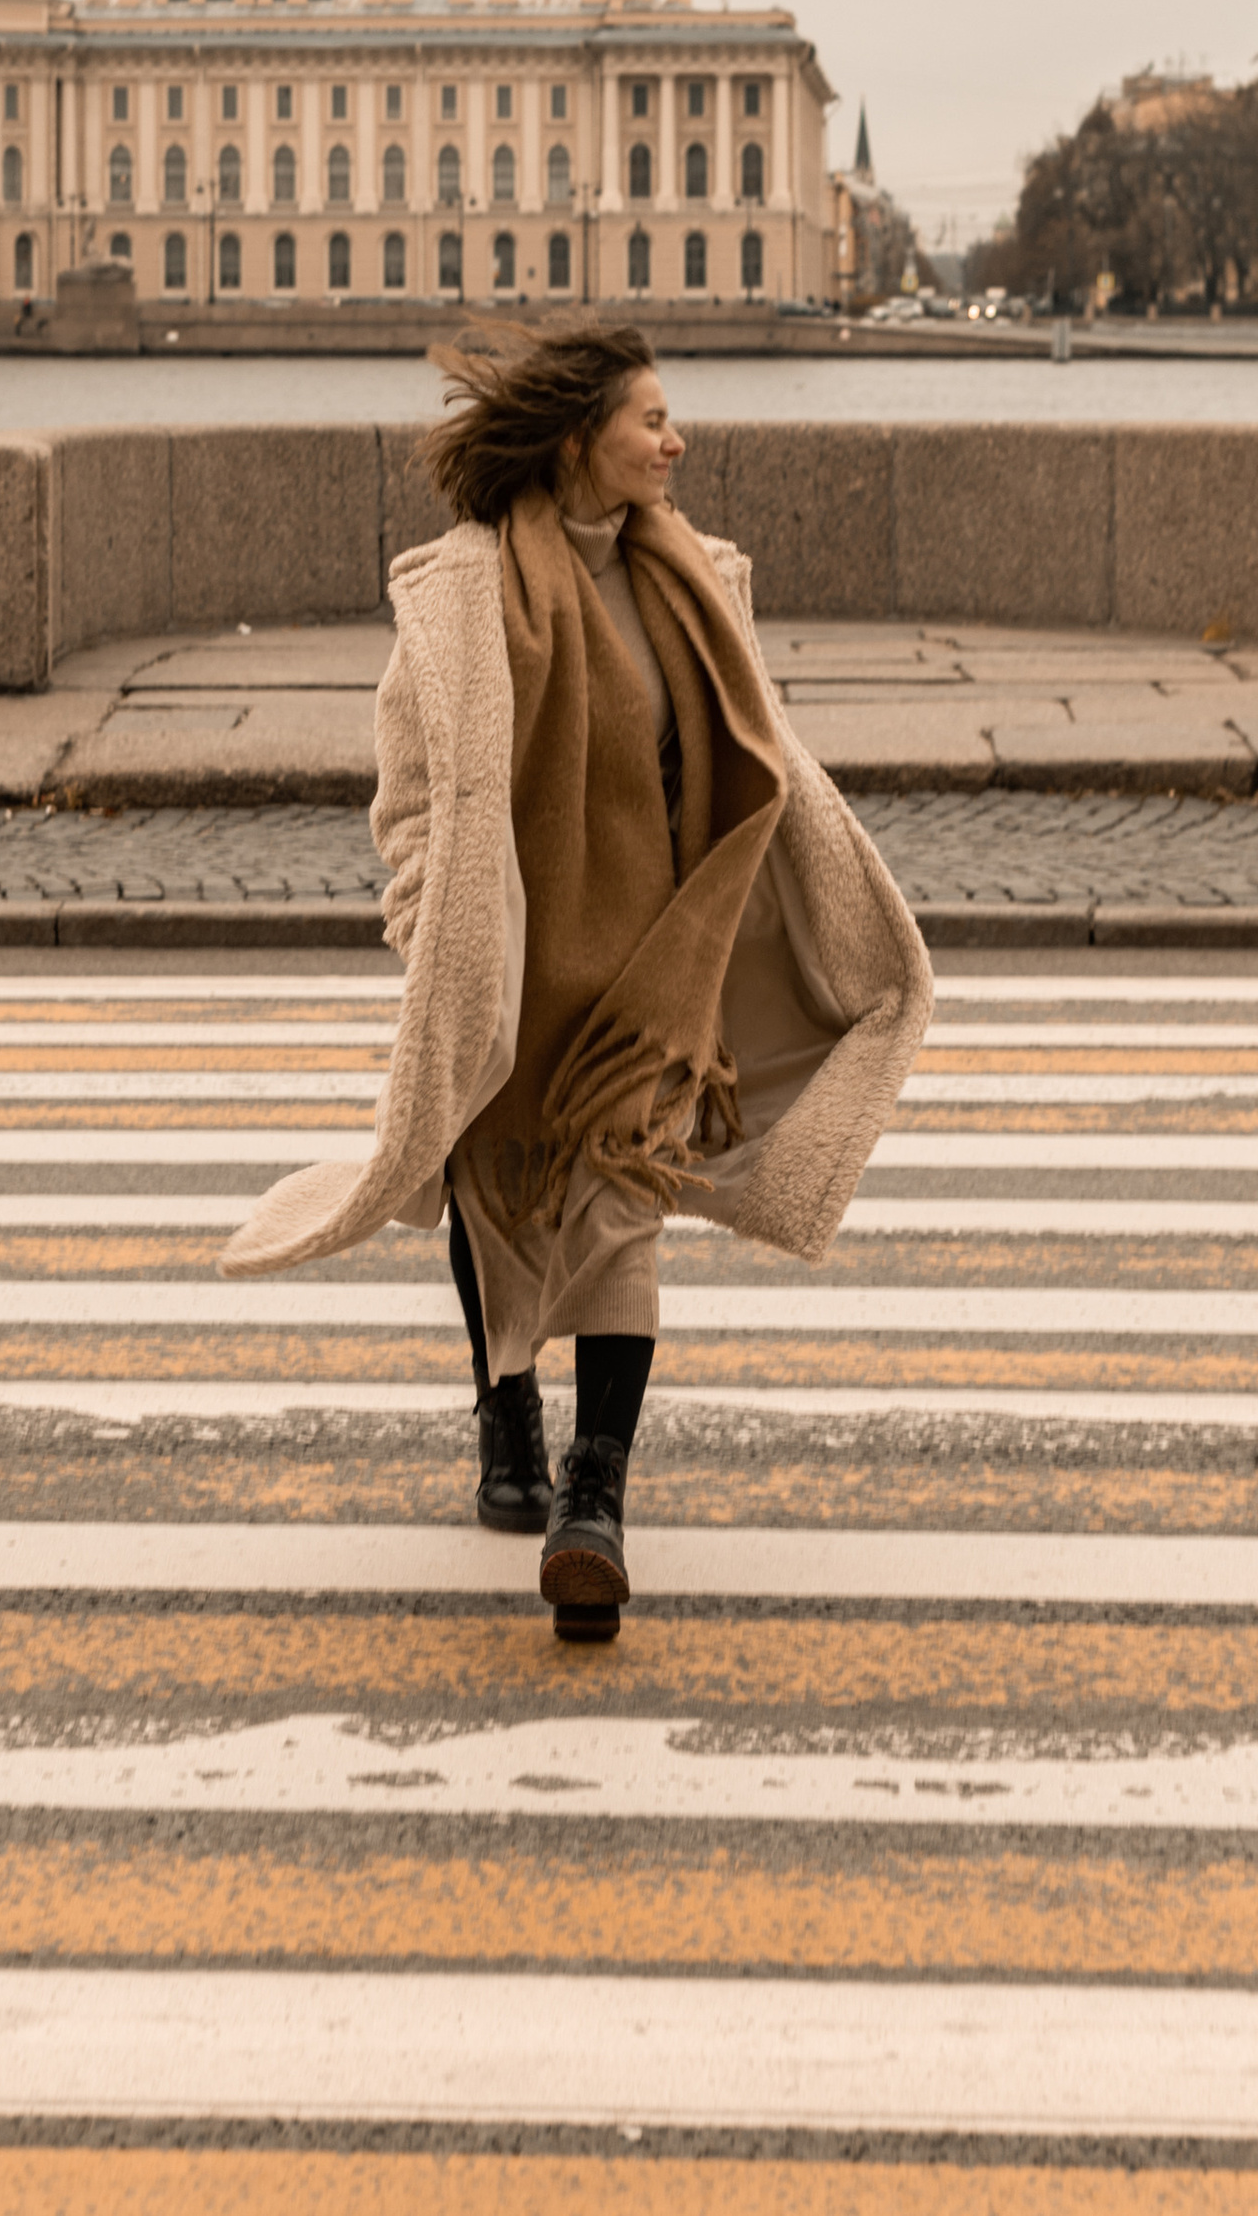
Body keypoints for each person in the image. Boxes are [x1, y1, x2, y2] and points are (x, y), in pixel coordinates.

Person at [220, 322, 931, 1641]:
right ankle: (507, 1412)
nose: (677, 440)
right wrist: (436, 924)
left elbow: (745, 756)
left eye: (673, 418)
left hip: (655, 964)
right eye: (651, 419)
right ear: (575, 441)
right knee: (493, 1191)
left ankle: (592, 1499)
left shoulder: (699, 581)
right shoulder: (465, 597)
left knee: (619, 1206)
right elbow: (416, 796)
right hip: (515, 956)